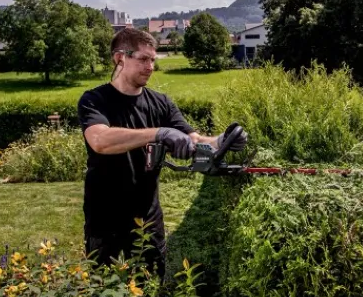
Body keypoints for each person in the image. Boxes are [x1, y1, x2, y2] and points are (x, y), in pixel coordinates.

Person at [77, 28, 247, 278]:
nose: (150, 67)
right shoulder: (95, 100)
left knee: (153, 287)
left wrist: (222, 141)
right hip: (105, 219)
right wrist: (158, 133)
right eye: (143, 59)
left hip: (149, 217)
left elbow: (194, 139)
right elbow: (100, 140)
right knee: (105, 292)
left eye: (153, 60)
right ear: (120, 58)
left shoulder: (161, 103)